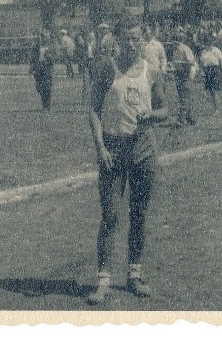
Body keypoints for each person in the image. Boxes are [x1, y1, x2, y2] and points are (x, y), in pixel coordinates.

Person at [86, 16, 169, 305]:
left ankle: (134, 275)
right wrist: (101, 148)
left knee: (139, 214)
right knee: (110, 216)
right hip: (113, 150)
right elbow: (94, 109)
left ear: (142, 39)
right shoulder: (106, 68)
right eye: (127, 38)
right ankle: (103, 281)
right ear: (117, 39)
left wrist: (151, 115)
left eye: (137, 38)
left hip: (144, 150)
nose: (132, 43)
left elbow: (165, 110)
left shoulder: (152, 70)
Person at [169, 32, 198, 126]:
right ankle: (190, 117)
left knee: (185, 96)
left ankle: (182, 119)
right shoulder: (175, 50)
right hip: (178, 74)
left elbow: (192, 62)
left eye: (175, 41)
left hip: (185, 74)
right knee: (182, 96)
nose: (174, 44)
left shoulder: (185, 49)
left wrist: (181, 63)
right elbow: (174, 63)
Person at [29, 31, 56, 111]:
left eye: (45, 37)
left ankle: (46, 105)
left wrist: (48, 59)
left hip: (47, 69)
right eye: (42, 37)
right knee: (39, 87)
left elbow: (54, 57)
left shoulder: (51, 47)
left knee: (47, 87)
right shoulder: (36, 47)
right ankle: (44, 103)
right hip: (38, 69)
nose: (43, 39)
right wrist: (32, 68)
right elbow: (33, 58)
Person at [199, 39, 222, 114]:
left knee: (214, 90)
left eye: (209, 43)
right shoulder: (203, 52)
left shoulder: (216, 50)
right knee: (210, 91)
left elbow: (221, 62)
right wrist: (202, 71)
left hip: (215, 70)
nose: (207, 44)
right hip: (207, 70)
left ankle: (217, 109)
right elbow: (202, 62)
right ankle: (214, 108)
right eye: (206, 43)